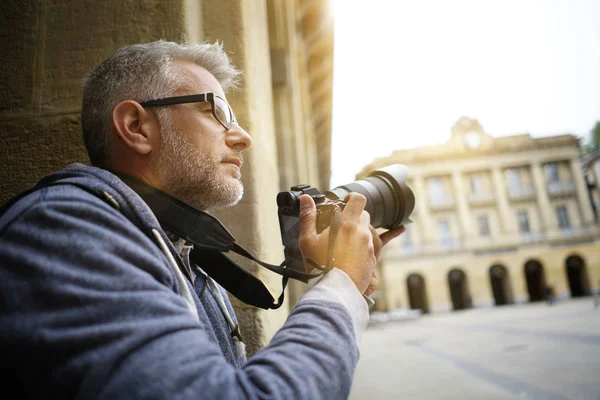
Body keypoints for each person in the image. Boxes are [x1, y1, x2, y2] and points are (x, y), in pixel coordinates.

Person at [0, 41, 404, 399]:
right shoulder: (65, 232)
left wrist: (351, 280)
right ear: (137, 127)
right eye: (218, 111)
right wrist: (341, 288)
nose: (243, 136)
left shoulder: (178, 252)